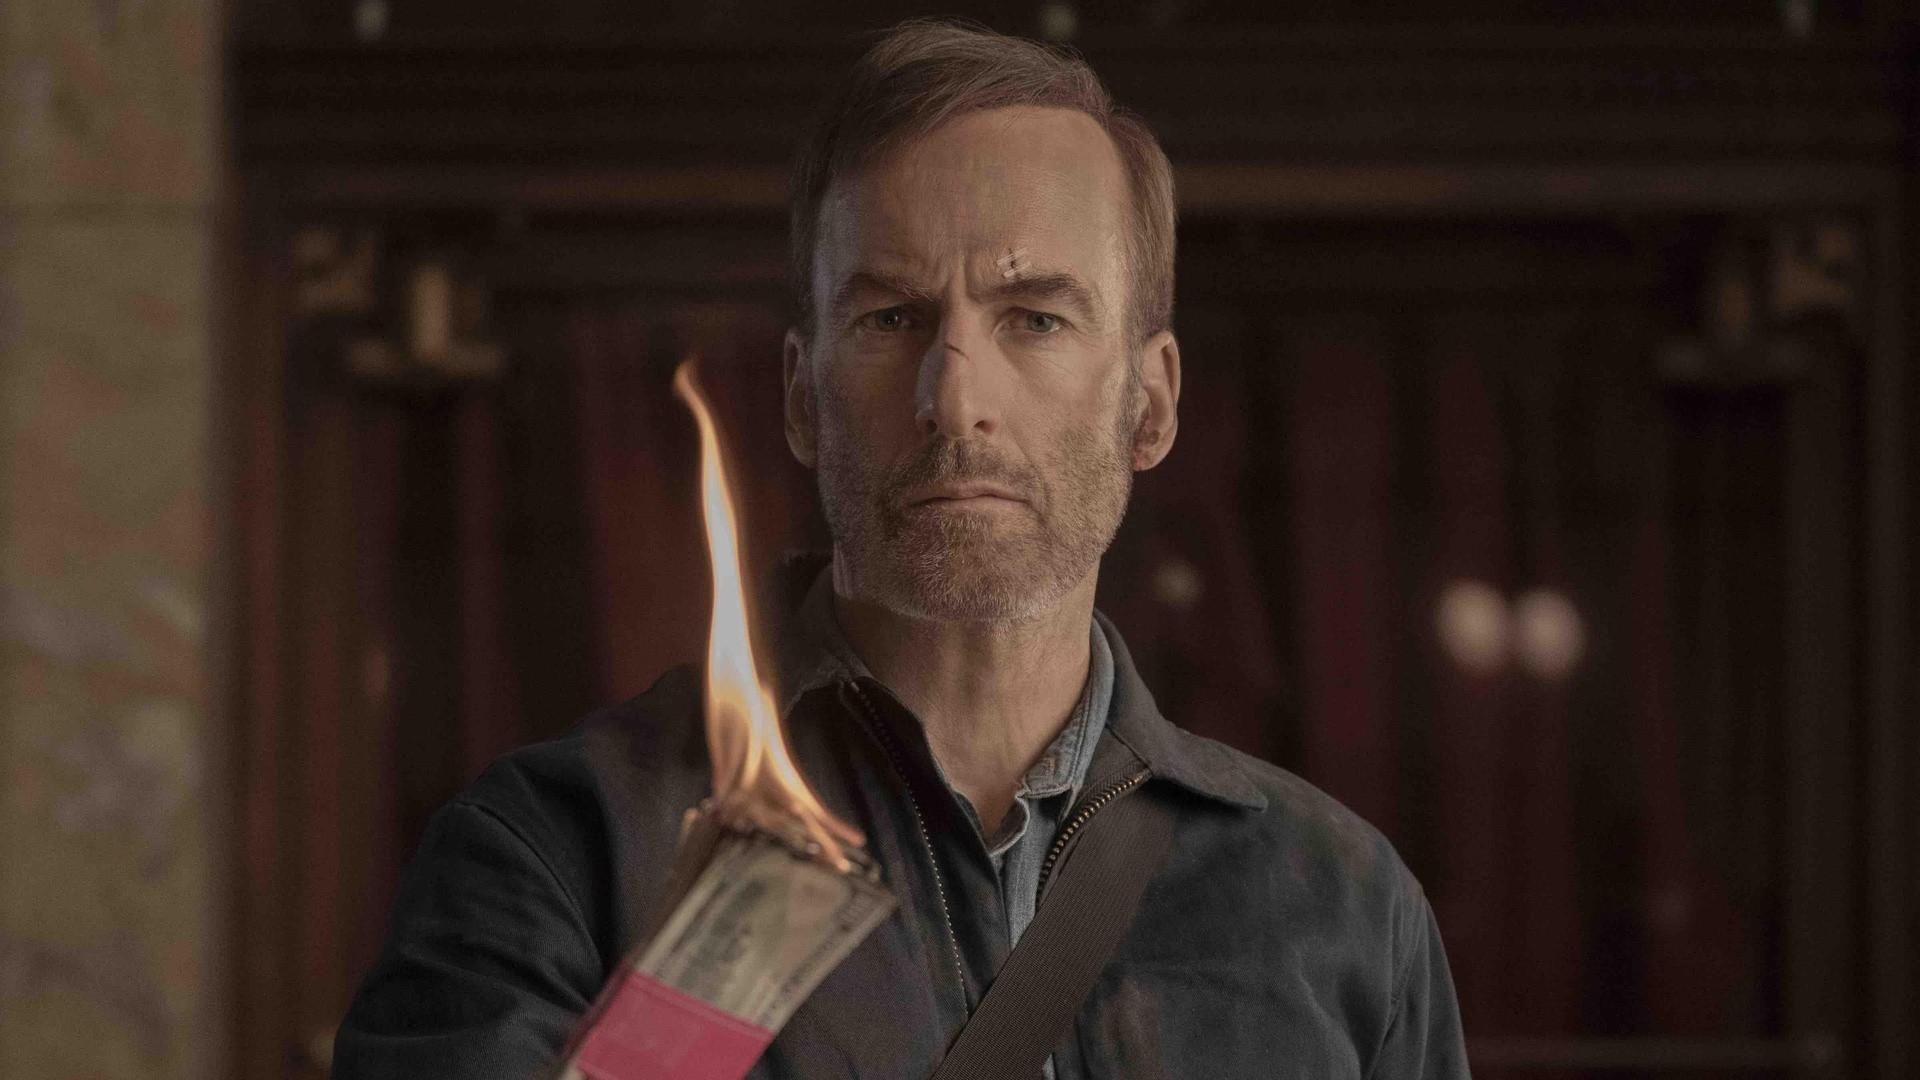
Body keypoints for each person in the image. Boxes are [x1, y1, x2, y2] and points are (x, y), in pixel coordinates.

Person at [333, 18, 1469, 1080]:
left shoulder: (1344, 911)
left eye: (1035, 318)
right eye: (889, 319)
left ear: (1152, 403)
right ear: (801, 397)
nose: (954, 398)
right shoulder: (560, 856)